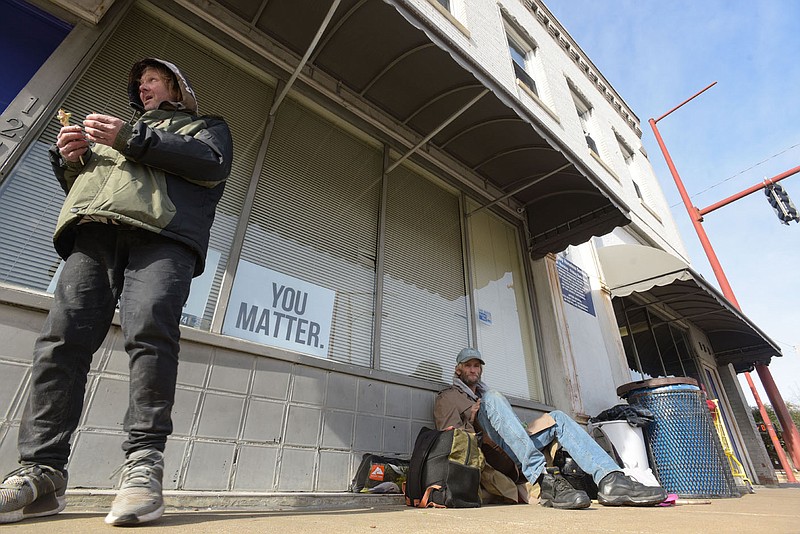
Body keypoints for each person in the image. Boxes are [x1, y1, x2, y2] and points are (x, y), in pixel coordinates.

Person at [0, 58, 233, 526]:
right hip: (96, 235)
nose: (142, 86)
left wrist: (130, 137)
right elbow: (94, 185)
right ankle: (42, 471)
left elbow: (210, 165)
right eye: (139, 82)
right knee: (60, 343)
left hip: (164, 237)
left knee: (150, 333)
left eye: (151, 79)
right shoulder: (119, 133)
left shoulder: (204, 127)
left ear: (176, 86)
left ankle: (143, 466)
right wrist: (71, 160)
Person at [434, 348, 667, 509]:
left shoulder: (486, 394)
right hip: (489, 451)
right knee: (493, 398)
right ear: (458, 370)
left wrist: (520, 426)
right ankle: (544, 478)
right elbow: (449, 439)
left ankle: (610, 478)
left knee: (557, 417)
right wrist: (472, 419)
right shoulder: (448, 397)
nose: (473, 370)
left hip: (513, 444)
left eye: (477, 366)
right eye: (468, 366)